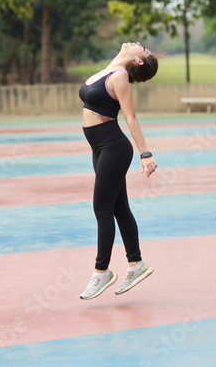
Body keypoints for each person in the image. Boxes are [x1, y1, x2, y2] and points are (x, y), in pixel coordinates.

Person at [78, 41, 158, 300]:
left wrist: (145, 153)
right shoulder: (110, 70)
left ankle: (101, 271)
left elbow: (130, 117)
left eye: (142, 50)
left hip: (113, 147)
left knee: (102, 209)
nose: (139, 44)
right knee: (118, 207)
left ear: (137, 62)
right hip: (100, 147)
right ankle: (136, 264)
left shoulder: (121, 76)